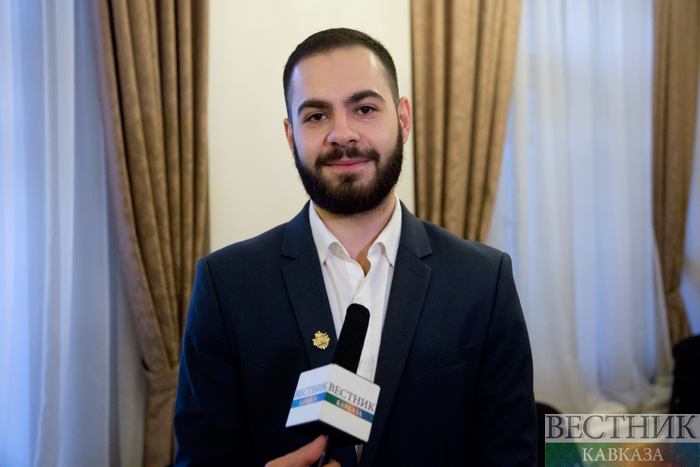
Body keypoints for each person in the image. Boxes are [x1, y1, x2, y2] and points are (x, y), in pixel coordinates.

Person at [174, 28, 537, 466]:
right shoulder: (226, 286)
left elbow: (511, 456)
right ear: (290, 136)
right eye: (316, 116)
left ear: (403, 120)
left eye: (364, 109)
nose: (341, 134)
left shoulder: (483, 281)